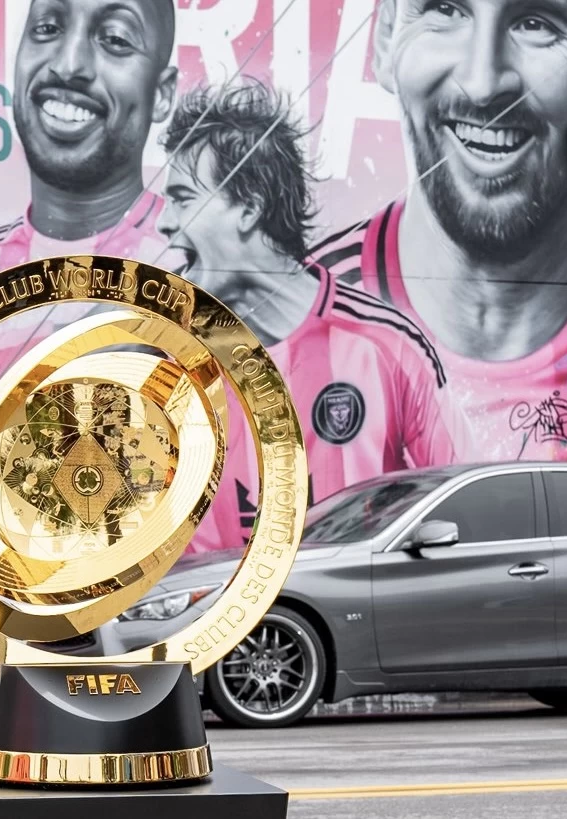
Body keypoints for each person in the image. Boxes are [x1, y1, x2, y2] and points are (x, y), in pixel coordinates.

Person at [312, 0, 567, 465]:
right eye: (445, 10)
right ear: (386, 36)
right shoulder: (280, 329)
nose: (483, 84)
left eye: (536, 23)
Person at [155, 82, 456, 554]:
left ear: (249, 208)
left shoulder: (388, 346)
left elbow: (461, 504)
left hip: (344, 601)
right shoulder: (165, 359)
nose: (164, 222)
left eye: (183, 198)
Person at [0, 0, 182, 328]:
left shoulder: (196, 267)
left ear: (162, 94)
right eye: (47, 28)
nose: (68, 65)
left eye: (116, 39)